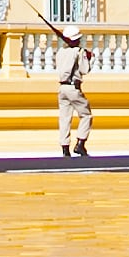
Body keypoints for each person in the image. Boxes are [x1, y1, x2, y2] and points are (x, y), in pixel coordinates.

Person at [42, 10, 94, 158]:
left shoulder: (60, 52)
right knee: (86, 115)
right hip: (73, 88)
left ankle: (65, 148)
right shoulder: (79, 52)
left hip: (62, 88)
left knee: (64, 118)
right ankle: (80, 143)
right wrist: (90, 58)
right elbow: (85, 70)